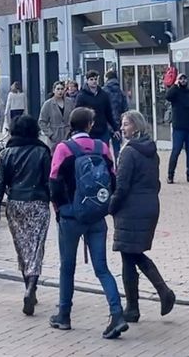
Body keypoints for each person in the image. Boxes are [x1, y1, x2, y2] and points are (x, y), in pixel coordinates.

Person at [48, 107, 128, 339]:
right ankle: (116, 313)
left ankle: (64, 315)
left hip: (71, 216)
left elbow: (53, 182)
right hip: (96, 215)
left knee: (67, 267)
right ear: (90, 125)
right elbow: (112, 179)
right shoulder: (101, 148)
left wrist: (61, 209)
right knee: (102, 268)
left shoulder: (63, 149)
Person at [111, 110, 175, 323]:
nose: (122, 128)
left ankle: (137, 305)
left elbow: (121, 186)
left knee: (129, 256)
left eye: (126, 124)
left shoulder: (129, 152)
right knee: (133, 254)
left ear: (136, 126)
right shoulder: (151, 150)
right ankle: (157, 295)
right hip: (149, 205)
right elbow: (155, 182)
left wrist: (110, 207)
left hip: (131, 208)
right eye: (122, 123)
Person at [0, 115, 51, 316]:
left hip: (15, 202)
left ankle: (28, 283)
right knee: (36, 245)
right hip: (38, 202)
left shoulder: (7, 153)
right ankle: (32, 284)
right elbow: (49, 180)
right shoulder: (42, 151)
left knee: (22, 246)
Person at [75, 71, 118, 146]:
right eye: (91, 79)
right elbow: (78, 114)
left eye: (95, 79)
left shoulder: (103, 94)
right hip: (88, 130)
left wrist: (115, 128)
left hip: (102, 130)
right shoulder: (81, 96)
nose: (94, 81)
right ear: (87, 80)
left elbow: (108, 113)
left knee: (103, 151)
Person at [38, 81, 74, 146]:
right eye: (58, 89)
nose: (60, 91)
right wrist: (50, 134)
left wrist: (71, 130)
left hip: (68, 134)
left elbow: (74, 117)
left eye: (62, 89)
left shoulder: (70, 102)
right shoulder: (48, 104)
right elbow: (42, 122)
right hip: (54, 136)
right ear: (54, 90)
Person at [103, 70, 128, 157]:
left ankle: (107, 168)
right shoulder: (120, 92)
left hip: (105, 123)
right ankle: (118, 167)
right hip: (117, 123)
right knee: (117, 148)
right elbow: (125, 109)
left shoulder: (103, 91)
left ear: (107, 78)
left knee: (104, 149)